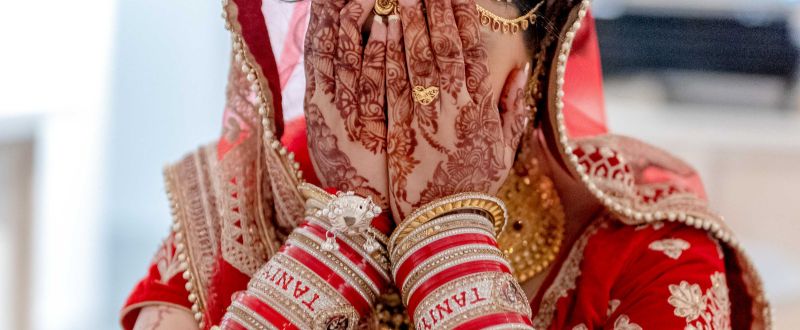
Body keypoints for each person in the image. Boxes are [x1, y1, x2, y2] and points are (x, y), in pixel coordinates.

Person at [121, 0, 770, 328]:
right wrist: (341, 228)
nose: (390, 85)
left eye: (439, 55)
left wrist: (448, 235)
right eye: (365, 41)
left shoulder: (647, 250)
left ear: (537, 66)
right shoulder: (235, 203)